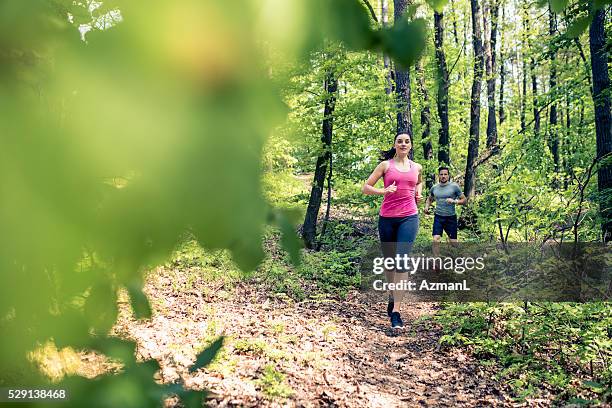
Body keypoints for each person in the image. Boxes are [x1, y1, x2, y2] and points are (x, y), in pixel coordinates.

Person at [362, 133, 423, 329]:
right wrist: (383, 191)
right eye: (400, 141)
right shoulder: (385, 166)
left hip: (409, 217)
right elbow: (366, 187)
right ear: (395, 145)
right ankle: (391, 293)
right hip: (387, 219)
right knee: (390, 263)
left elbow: (418, 182)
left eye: (407, 141)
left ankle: (396, 311)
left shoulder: (417, 167)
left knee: (402, 261)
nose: (403, 144)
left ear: (411, 145)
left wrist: (418, 194)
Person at [424, 167, 466, 248]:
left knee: (453, 243)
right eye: (441, 174)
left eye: (445, 174)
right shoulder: (434, 187)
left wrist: (455, 201)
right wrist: (426, 207)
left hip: (451, 218)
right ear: (438, 175)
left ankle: (460, 255)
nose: (443, 176)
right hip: (438, 217)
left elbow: (464, 200)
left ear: (448, 175)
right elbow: (429, 199)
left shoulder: (454, 187)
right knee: (436, 239)